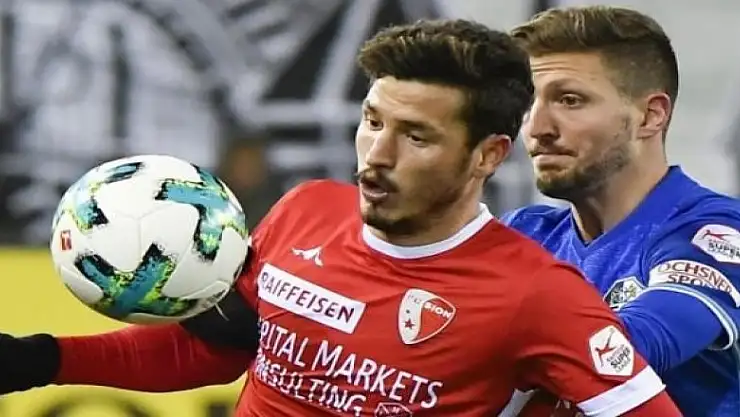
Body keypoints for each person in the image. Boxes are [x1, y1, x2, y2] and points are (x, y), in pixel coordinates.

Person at [0, 19, 680, 416]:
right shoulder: (306, 210)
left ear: (488, 155)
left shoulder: (537, 295)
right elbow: (213, 352)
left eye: (416, 136)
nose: (377, 155)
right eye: (372, 121)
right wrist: (39, 358)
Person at [503, 5, 740, 417]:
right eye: (528, 102)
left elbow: (628, 352)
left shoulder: (714, 231)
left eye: (570, 100)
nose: (537, 128)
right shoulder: (523, 235)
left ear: (651, 116)